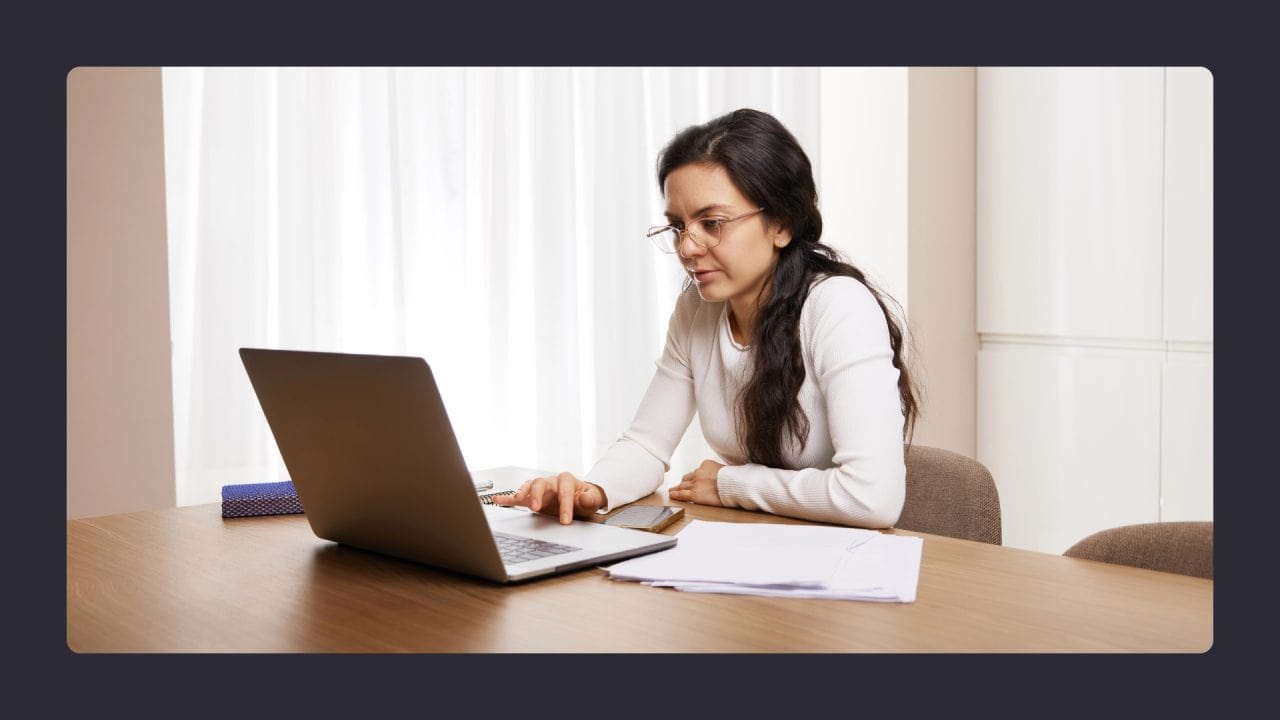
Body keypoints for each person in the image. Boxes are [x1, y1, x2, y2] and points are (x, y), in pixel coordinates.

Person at [493, 108, 919, 529]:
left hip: (845, 566)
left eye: (711, 223)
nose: (687, 248)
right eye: (678, 226)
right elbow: (646, 444)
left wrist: (731, 484)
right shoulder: (697, 311)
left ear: (782, 224)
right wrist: (592, 490)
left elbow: (873, 497)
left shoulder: (839, 307)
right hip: (754, 549)